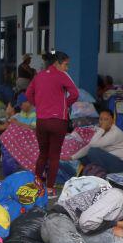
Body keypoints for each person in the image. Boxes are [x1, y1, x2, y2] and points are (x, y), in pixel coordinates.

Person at [26, 51, 79, 195]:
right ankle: (49, 189)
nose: (67, 68)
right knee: (54, 155)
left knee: (43, 154)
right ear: (57, 63)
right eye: (66, 64)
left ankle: (36, 186)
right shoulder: (62, 76)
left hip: (42, 121)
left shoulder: (39, 75)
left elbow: (28, 94)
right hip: (58, 122)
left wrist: (39, 104)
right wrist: (64, 104)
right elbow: (75, 94)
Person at [69, 108, 123, 174]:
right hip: (111, 160)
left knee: (93, 151)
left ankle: (98, 171)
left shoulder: (115, 133)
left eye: (106, 119)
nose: (103, 122)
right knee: (82, 155)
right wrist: (72, 157)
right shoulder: (100, 130)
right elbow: (88, 146)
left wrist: (102, 129)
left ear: (112, 120)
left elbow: (93, 145)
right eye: (101, 119)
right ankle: (94, 171)